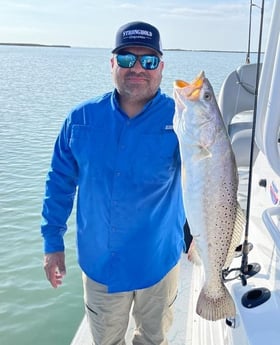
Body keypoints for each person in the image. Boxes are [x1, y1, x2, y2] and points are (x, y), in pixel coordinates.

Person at [41, 21, 185, 345]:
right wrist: (52, 243)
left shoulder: (182, 118)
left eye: (148, 61)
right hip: (101, 266)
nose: (137, 68)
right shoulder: (80, 119)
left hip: (158, 262)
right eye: (126, 59)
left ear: (160, 68)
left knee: (153, 340)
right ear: (112, 64)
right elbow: (59, 183)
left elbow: (209, 175)